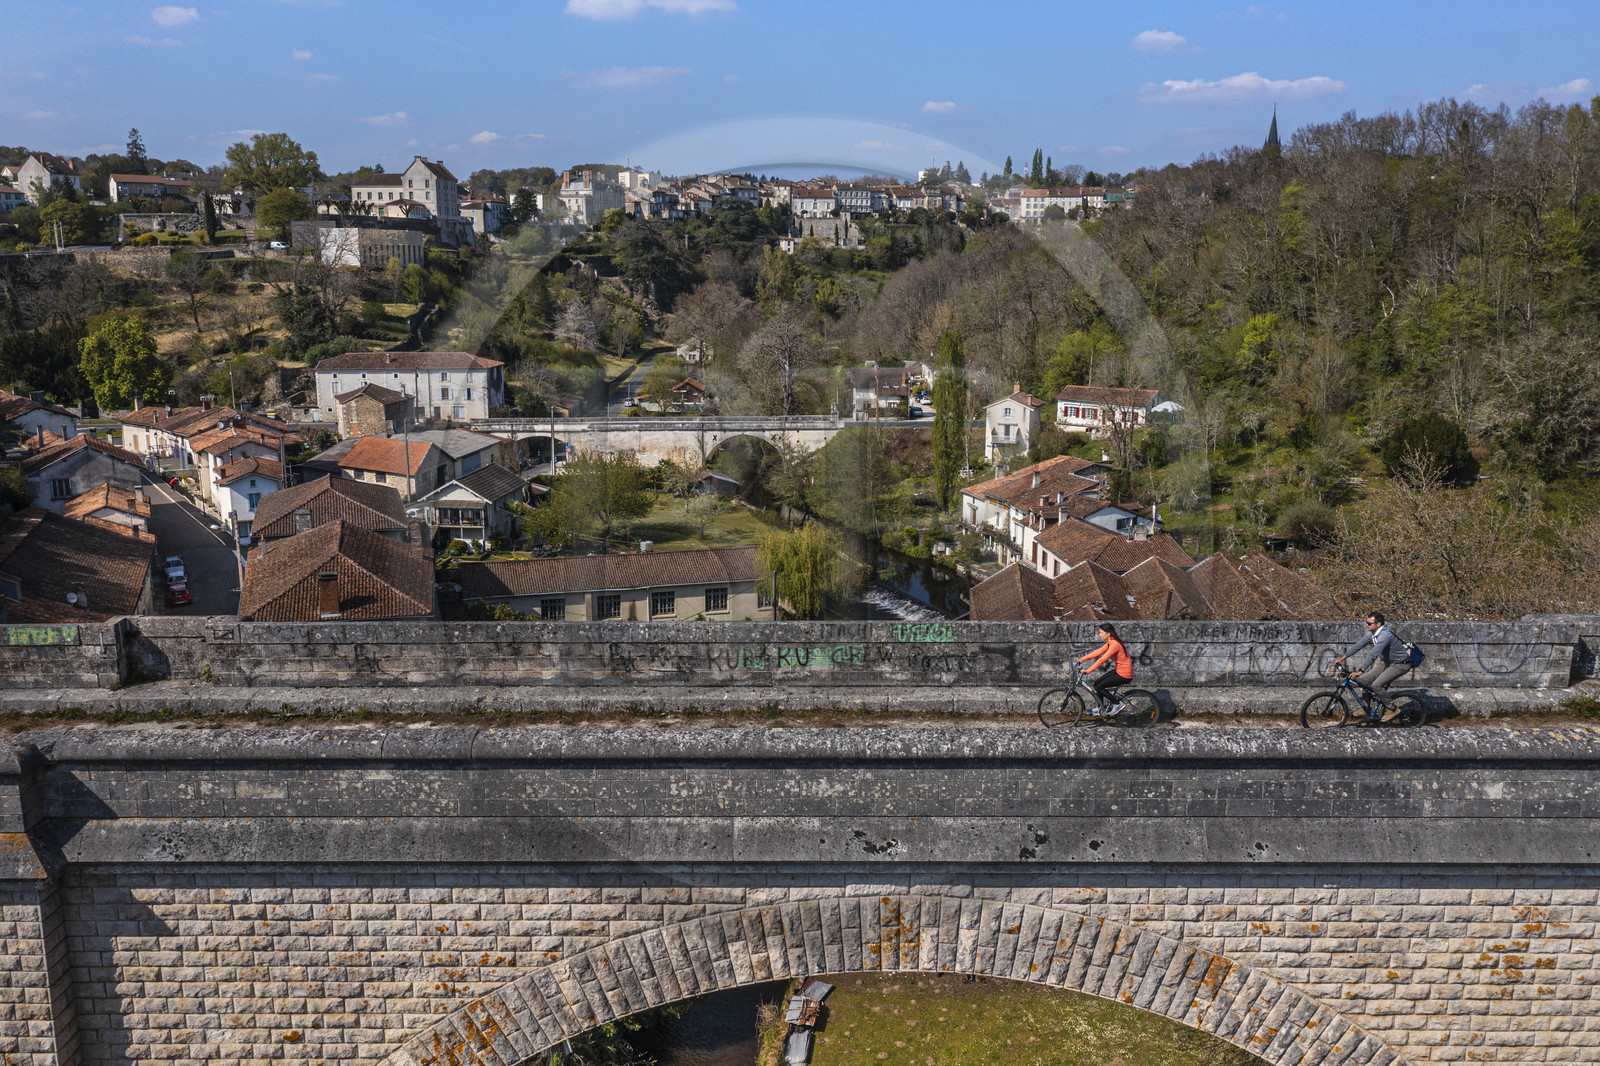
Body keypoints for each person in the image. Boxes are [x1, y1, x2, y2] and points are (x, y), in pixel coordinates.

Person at [1334, 611, 1411, 722]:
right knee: (1363, 680)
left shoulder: (1385, 635)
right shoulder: (1371, 634)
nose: (1366, 625)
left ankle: (1393, 709)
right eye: (1366, 622)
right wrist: (1341, 658)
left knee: (1376, 685)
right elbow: (1358, 646)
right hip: (1386, 662)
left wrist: (1361, 670)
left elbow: (1373, 654)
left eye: (1369, 623)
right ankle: (1366, 708)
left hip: (1400, 664)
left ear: (1378, 624)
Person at [1077, 622, 1134, 714]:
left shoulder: (1114, 644)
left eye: (1101, 633)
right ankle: (1101, 708)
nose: (1099, 635)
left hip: (1124, 675)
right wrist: (1082, 659)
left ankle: (1117, 704)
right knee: (1097, 684)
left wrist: (1088, 671)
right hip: (1119, 671)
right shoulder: (1111, 641)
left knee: (1099, 686)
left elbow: (1102, 659)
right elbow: (1098, 652)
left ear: (1108, 634)